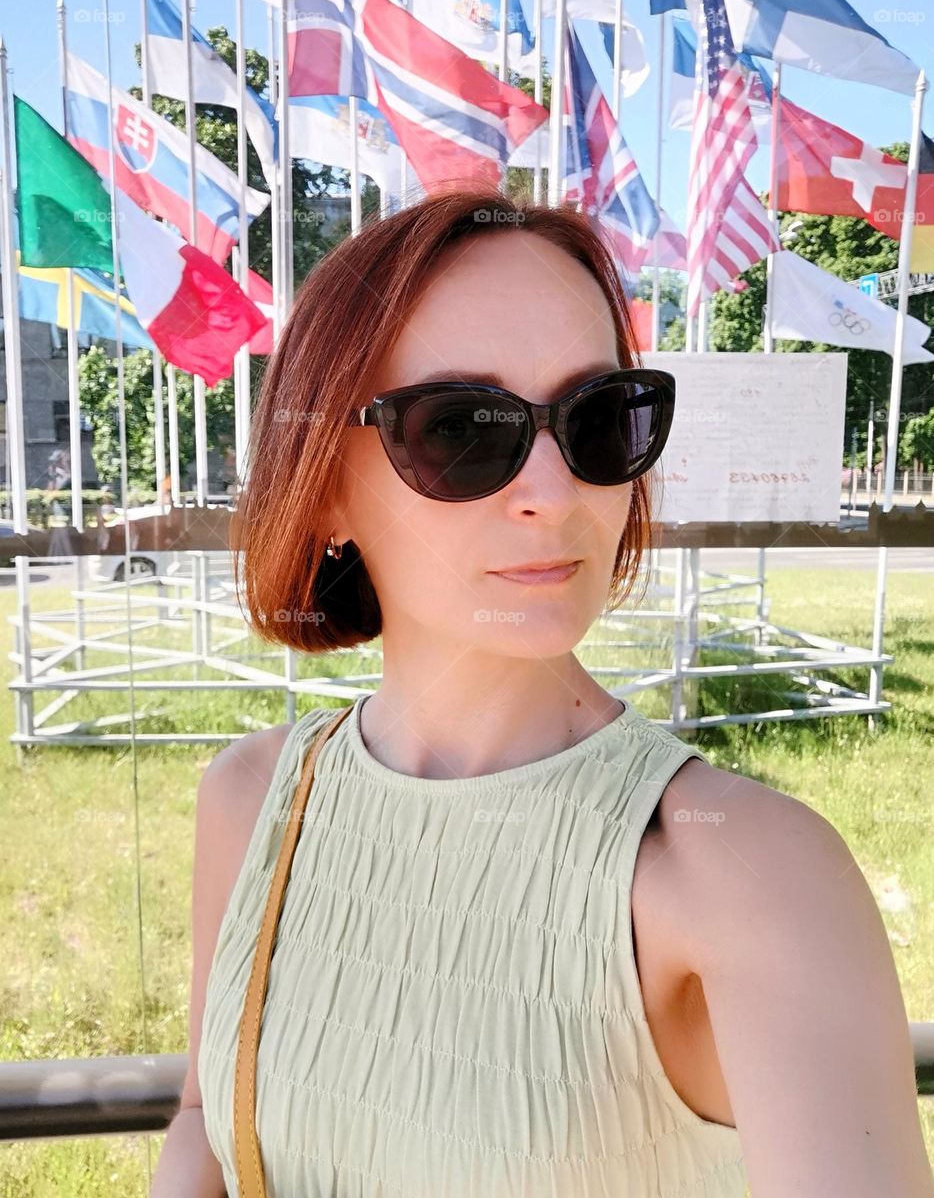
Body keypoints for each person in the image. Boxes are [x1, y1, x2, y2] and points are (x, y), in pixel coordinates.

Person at [150, 189, 933, 1198]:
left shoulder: (748, 871)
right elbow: (208, 1120)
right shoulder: (255, 798)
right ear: (326, 485)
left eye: (601, 418)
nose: (555, 491)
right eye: (463, 429)